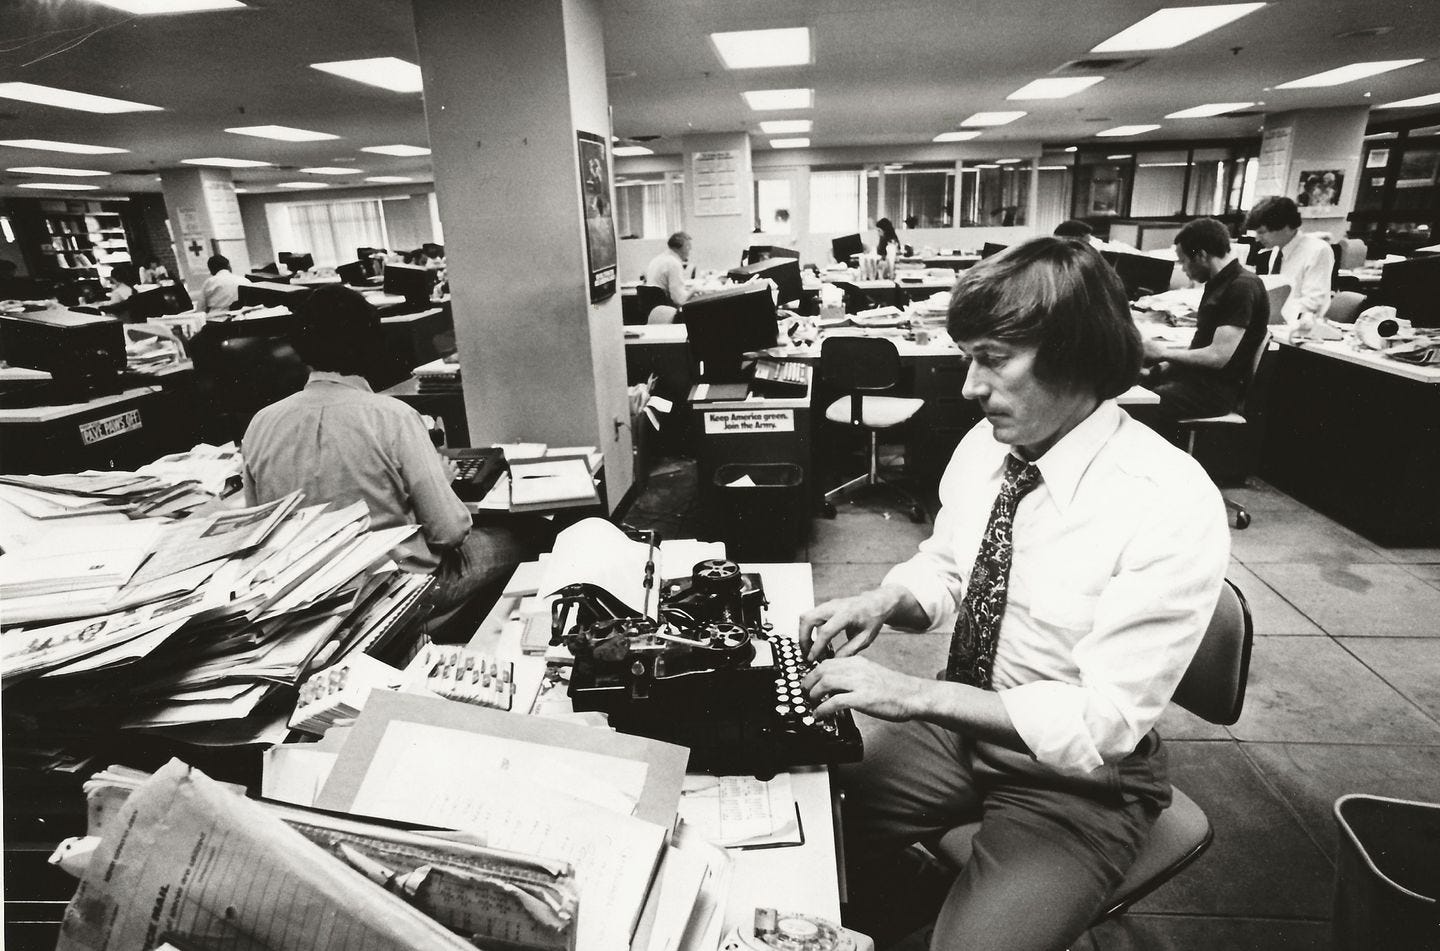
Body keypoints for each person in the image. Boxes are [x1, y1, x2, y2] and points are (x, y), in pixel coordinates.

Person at [797, 236, 1229, 951]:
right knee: (808, 812)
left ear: (1077, 355)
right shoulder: (986, 448)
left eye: (992, 359)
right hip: (963, 728)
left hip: (1078, 781)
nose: (969, 385)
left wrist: (912, 694)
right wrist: (882, 599)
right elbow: (945, 564)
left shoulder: (1169, 499)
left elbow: (1101, 724)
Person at [242, 284, 535, 641]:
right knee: (526, 536)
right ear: (370, 344)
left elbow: (258, 533)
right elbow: (449, 533)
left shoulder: (261, 423)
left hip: (304, 606)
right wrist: (441, 483)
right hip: (396, 593)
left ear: (301, 349)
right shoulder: (393, 417)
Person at [1142, 218, 1269, 430]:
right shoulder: (1219, 283)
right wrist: (1159, 369)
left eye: (1183, 262)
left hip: (1213, 392)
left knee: (1135, 405)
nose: (1183, 269)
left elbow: (1218, 357)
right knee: (1128, 387)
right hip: (1196, 381)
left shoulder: (1242, 286)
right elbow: (1199, 348)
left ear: (1201, 255)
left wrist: (1162, 353)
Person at [1245, 195, 1333, 323]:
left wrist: (1267, 311)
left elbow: (1314, 303)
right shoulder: (1276, 251)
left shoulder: (1317, 250)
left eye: (1262, 232)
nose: (1257, 238)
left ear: (1285, 227)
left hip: (1300, 328)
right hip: (1276, 323)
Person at [642, 231, 692, 309]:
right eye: (688, 247)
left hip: (655, 311)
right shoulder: (674, 263)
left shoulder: (657, 259)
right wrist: (694, 290)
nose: (690, 250)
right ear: (679, 248)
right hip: (668, 312)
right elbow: (679, 299)